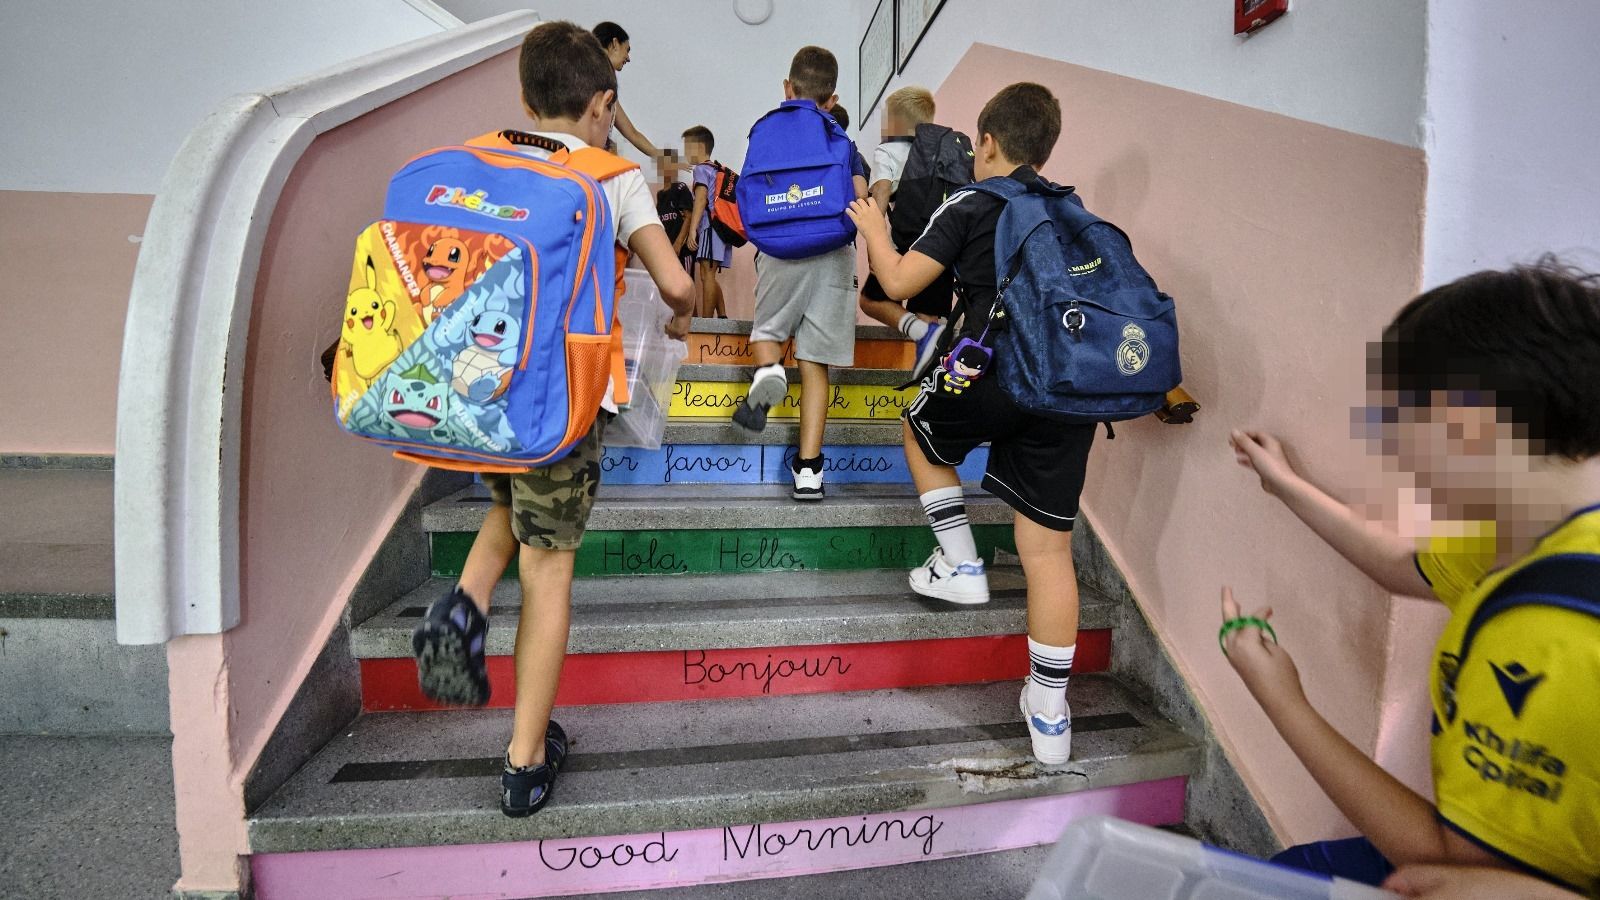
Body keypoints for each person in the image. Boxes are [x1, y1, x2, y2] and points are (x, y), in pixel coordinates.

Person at [1223, 260, 1600, 894]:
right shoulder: (1531, 530)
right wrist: (1288, 486)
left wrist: (1280, 700)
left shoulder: (1553, 638)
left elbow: (1452, 872)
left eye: (1399, 417)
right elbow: (1406, 567)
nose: (1389, 448)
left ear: (1471, 422)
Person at [409, 20, 694, 819]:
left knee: (509, 503)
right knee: (549, 564)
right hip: (560, 407)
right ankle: (525, 760)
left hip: (478, 395)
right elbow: (676, 287)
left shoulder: (474, 158)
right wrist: (683, 306)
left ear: (526, 98)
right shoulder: (612, 176)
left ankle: (461, 600)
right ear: (603, 102)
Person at [845, 83, 1090, 765]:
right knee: (1048, 553)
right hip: (1065, 389)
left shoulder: (973, 201)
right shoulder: (1072, 209)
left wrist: (873, 229)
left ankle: (959, 562)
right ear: (1046, 148)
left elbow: (894, 283)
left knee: (919, 422)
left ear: (984, 143)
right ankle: (1048, 716)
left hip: (989, 368)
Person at [731, 46, 870, 501]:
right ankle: (809, 470)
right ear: (832, 99)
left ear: (787, 89)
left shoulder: (765, 130)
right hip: (832, 250)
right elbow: (860, 198)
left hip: (778, 246)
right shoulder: (843, 140)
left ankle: (769, 369)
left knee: (769, 330)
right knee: (815, 363)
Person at [858, 86, 954, 374]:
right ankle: (932, 371)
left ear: (897, 123)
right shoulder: (943, 154)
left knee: (871, 300)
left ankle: (919, 332)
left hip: (904, 243)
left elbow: (883, 192)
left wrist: (876, 243)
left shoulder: (886, 150)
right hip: (939, 245)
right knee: (928, 311)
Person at [592, 21, 663, 162]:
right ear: (614, 43)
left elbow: (632, 133)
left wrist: (663, 157)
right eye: (627, 49)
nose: (628, 58)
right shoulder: (584, 81)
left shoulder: (607, 90)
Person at [682, 126, 731, 319]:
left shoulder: (701, 170)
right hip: (720, 227)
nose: (685, 152)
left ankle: (707, 322)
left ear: (700, 147)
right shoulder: (715, 168)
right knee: (709, 274)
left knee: (706, 274)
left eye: (688, 147)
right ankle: (722, 315)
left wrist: (693, 230)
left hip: (710, 228)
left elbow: (701, 200)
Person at [654, 148, 694, 274]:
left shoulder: (680, 188)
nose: (665, 168)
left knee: (686, 286)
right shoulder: (660, 195)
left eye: (669, 163)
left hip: (682, 250)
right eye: (662, 164)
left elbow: (689, 216)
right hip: (666, 252)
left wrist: (678, 244)